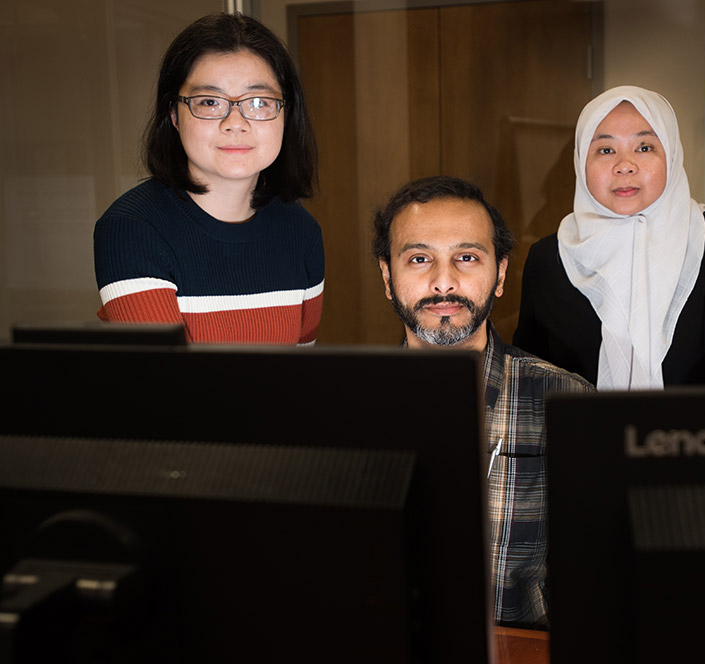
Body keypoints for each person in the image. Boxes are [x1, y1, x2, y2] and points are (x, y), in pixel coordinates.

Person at [373, 175, 593, 629]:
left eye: (467, 258)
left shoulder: (566, 402)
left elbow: (597, 579)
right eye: (419, 258)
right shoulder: (347, 405)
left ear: (501, 274)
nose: (443, 282)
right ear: (388, 277)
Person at [93, 13, 323, 344]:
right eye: (210, 102)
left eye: (259, 102)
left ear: (287, 113)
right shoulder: (132, 229)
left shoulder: (301, 231)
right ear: (173, 113)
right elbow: (167, 386)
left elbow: (301, 372)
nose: (235, 122)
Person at [513, 86, 705, 390]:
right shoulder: (550, 258)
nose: (625, 165)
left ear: (672, 156)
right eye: (606, 150)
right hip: (579, 436)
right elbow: (531, 379)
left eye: (644, 147)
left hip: (700, 436)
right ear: (580, 162)